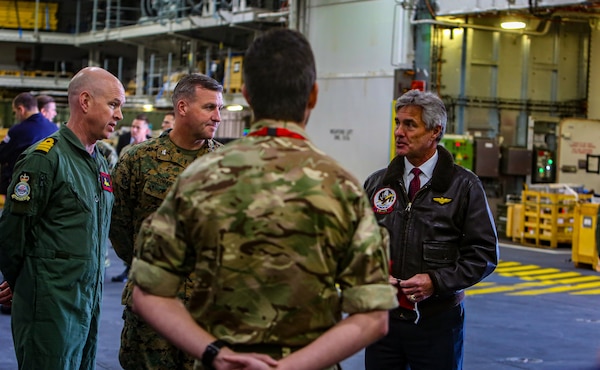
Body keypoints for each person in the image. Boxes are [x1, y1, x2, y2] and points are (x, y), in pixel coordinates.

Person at [130, 28, 398, 370]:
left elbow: (148, 292)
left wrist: (216, 353)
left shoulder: (199, 177)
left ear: (247, 95)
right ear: (312, 95)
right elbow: (374, 316)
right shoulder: (341, 187)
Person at [362, 89, 499, 370]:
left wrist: (436, 281)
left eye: (410, 125)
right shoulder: (377, 184)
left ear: (435, 131)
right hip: (383, 321)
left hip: (437, 325)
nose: (399, 132)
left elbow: (483, 254)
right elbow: (356, 245)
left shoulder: (464, 187)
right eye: (398, 123)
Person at [0, 66, 124, 369]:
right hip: (50, 308)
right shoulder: (45, 159)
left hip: (88, 303)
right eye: (113, 104)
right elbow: (12, 233)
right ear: (84, 101)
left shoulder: (99, 164)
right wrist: (23, 284)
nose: (119, 115)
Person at [110, 73, 224, 370]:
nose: (218, 117)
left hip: (206, 310)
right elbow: (119, 227)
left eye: (220, 108)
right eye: (210, 107)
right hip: (151, 307)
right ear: (182, 107)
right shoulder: (137, 160)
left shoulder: (227, 166)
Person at [0, 92, 58, 196]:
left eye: (15, 112)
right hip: (49, 187)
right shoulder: (55, 129)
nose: (16, 116)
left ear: (21, 109)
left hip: (21, 187)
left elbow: (2, 154)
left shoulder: (17, 131)